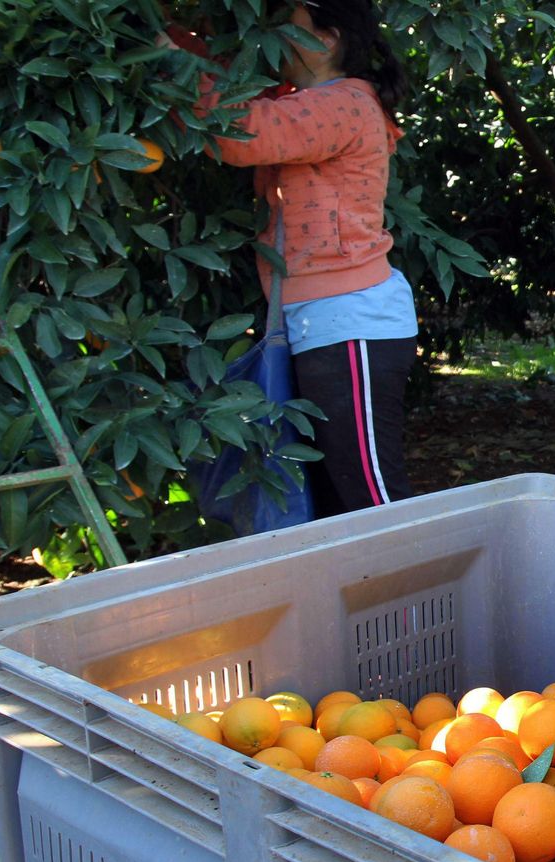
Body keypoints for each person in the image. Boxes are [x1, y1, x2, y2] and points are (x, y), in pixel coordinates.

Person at [178, 1, 417, 516]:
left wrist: (168, 61)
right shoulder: (303, 99)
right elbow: (241, 97)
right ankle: (358, 597)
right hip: (321, 322)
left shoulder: (344, 103)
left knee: (374, 499)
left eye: (288, 23)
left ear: (327, 40)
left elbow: (243, 131)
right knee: (332, 499)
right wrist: (176, 38)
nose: (271, 34)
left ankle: (422, 599)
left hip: (353, 324)